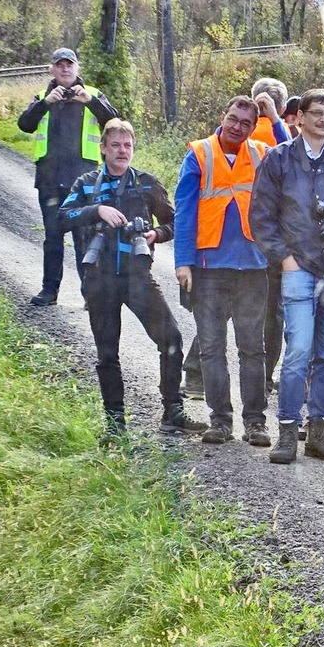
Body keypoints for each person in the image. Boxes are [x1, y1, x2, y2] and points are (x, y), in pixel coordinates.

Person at [58, 119, 200, 440]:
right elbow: (59, 219)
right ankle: (115, 423)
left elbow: (177, 223)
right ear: (103, 148)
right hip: (99, 279)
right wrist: (97, 211)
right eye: (116, 145)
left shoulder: (147, 184)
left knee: (172, 340)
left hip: (138, 276)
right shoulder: (86, 184)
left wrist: (154, 234)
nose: (122, 151)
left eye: (128, 145)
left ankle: (172, 411)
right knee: (107, 353)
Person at [249, 89, 324, 465]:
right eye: (316, 113)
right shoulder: (279, 160)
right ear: (299, 117)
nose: (323, 120)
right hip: (298, 268)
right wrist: (283, 258)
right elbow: (261, 216)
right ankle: (288, 429)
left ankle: (319, 428)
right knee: (298, 351)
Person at [173, 96, 270, 447]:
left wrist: (273, 116)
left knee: (252, 349)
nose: (237, 127)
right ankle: (220, 420)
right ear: (222, 116)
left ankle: (255, 423)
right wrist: (182, 261)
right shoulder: (199, 153)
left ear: (253, 126)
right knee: (211, 347)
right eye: (233, 119)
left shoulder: (262, 153)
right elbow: (183, 212)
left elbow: (289, 159)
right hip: (208, 267)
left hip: (252, 266)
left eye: (246, 123)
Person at [19, 47, 120, 307]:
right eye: (60, 65)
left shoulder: (93, 95)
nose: (65, 69)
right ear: (52, 69)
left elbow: (115, 123)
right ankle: (49, 291)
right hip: (50, 180)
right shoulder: (43, 96)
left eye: (69, 64)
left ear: (77, 68)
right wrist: (46, 103)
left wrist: (90, 101)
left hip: (83, 182)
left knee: (84, 239)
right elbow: (25, 124)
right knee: (53, 237)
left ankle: (90, 294)